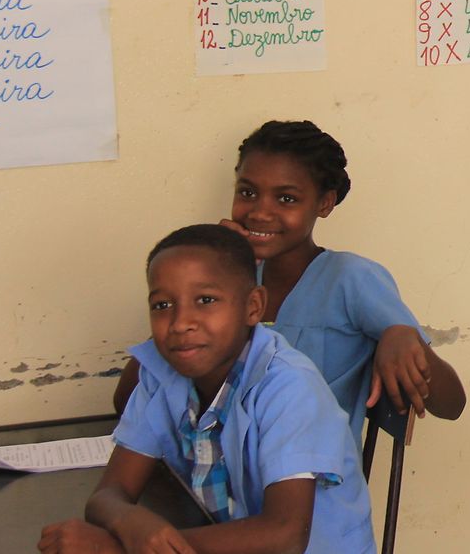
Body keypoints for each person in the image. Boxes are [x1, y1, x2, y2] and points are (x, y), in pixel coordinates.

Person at [114, 121, 465, 436]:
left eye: (286, 198)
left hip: (305, 480)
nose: (260, 212)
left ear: (324, 203)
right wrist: (210, 271)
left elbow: (452, 405)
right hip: (217, 468)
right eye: (248, 192)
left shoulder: (350, 278)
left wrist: (403, 336)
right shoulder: (226, 281)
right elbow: (127, 399)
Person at [39, 224, 374, 553]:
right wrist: (129, 520)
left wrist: (119, 549)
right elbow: (109, 493)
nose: (181, 322)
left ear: (253, 306)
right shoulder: (163, 372)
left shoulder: (289, 387)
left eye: (206, 299)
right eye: (162, 305)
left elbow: (285, 535)